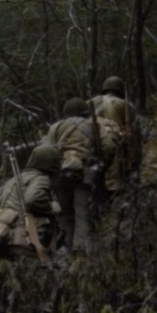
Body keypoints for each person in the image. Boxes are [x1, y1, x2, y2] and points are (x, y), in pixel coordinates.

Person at [0, 145, 60, 260]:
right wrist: (51, 207)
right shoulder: (40, 179)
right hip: (24, 242)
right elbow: (32, 199)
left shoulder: (11, 182)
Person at [46, 97, 101, 253]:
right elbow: (107, 145)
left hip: (61, 173)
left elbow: (47, 152)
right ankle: (81, 251)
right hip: (85, 172)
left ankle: (66, 249)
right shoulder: (93, 125)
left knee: (63, 213)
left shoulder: (55, 127)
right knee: (82, 212)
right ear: (85, 111)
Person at [92, 76, 143, 195]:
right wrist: (137, 157)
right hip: (117, 145)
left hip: (94, 143)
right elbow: (134, 132)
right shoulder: (124, 104)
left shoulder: (92, 102)